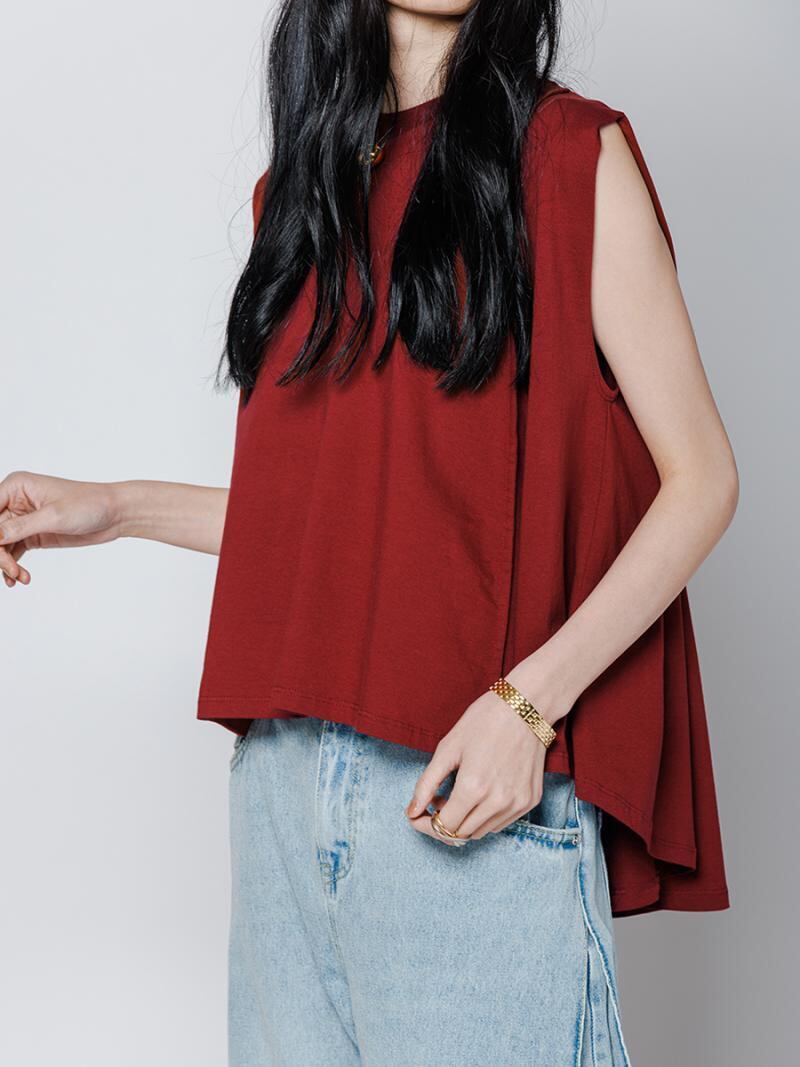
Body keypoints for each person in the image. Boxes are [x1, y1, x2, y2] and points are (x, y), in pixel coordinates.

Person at [0, 1, 737, 1064]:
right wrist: (113, 508)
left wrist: (529, 706)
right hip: (282, 790)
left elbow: (701, 477)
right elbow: (336, 527)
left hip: (466, 786)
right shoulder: (298, 194)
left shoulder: (571, 155)